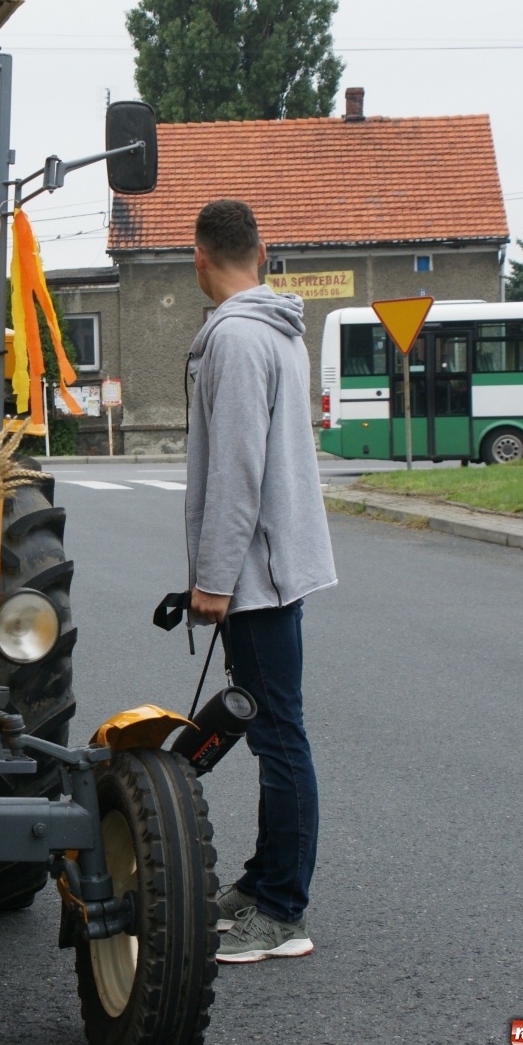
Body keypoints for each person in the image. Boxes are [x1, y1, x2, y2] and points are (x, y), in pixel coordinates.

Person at [183, 199, 337, 964]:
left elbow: (238, 469)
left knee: (279, 738)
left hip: (258, 573)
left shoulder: (238, 338)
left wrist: (214, 578)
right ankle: (260, 883)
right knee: (273, 732)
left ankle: (282, 912)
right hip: (276, 562)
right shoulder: (274, 328)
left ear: (200, 258)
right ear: (263, 254)